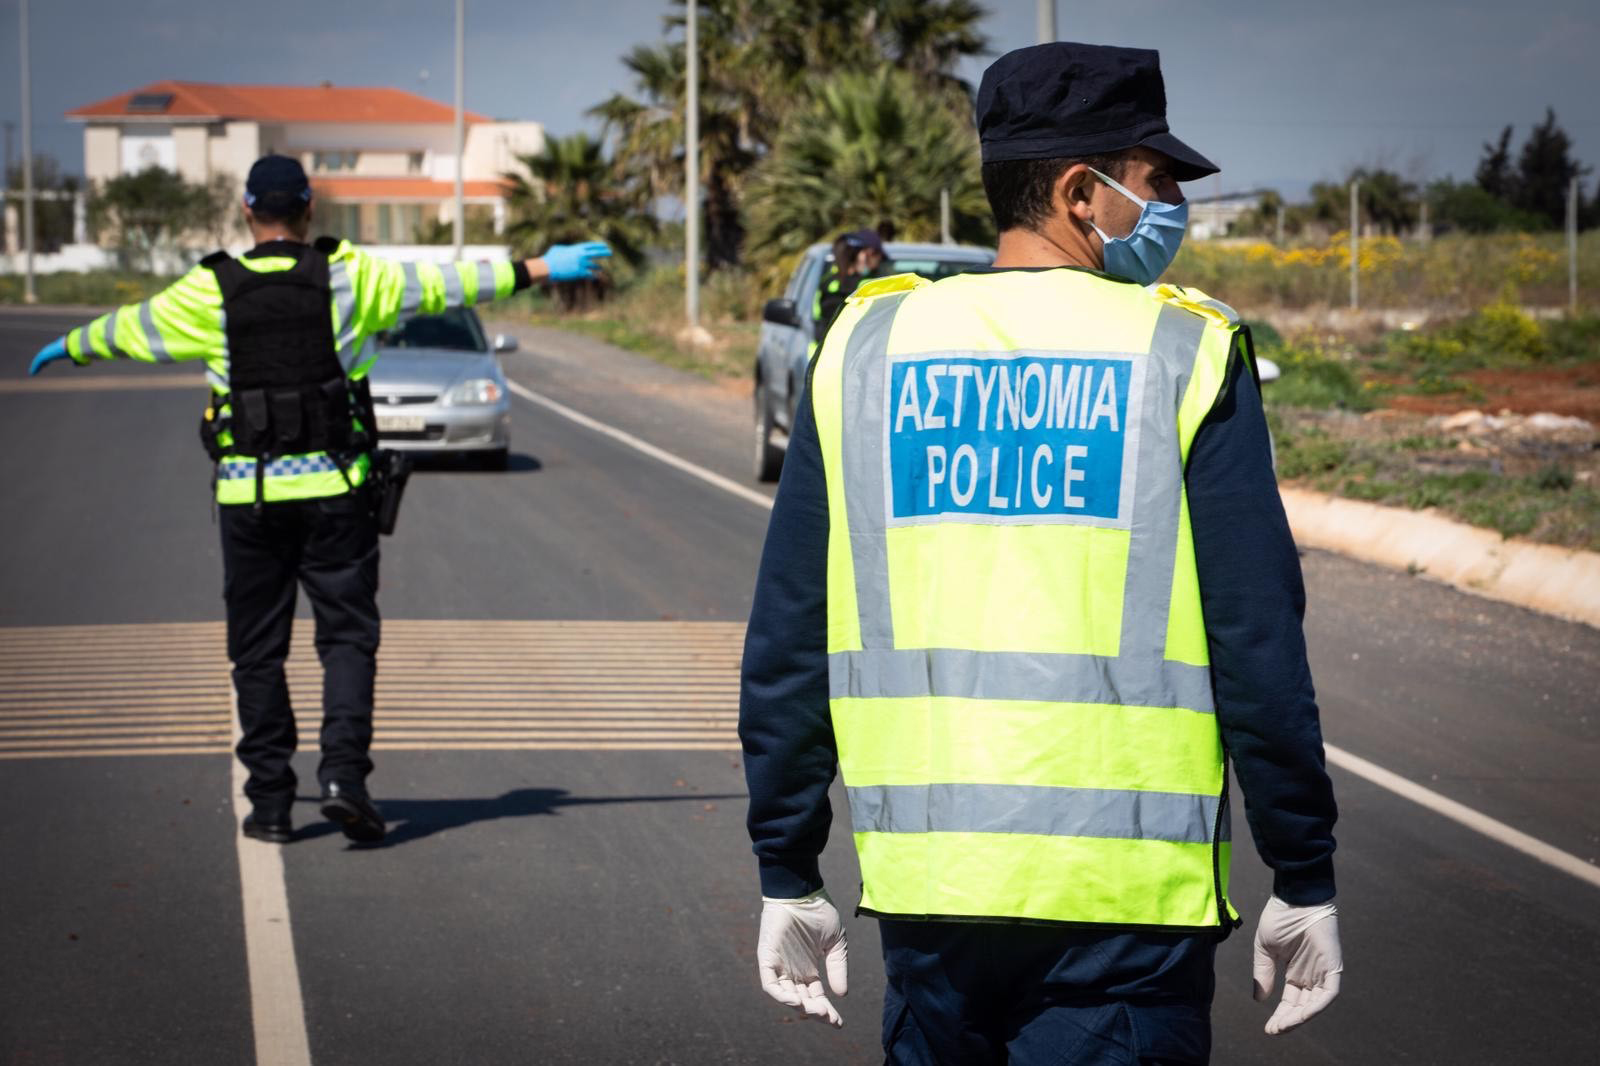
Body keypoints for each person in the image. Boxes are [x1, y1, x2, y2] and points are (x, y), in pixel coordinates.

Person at [739, 42, 1341, 1064]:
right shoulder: (1185, 352)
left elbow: (792, 629)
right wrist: (1304, 867)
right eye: (1153, 182)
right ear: (1080, 192)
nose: (1169, 208)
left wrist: (785, 865)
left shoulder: (866, 348)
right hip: (1125, 913)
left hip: (930, 897)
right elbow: (1255, 641)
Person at [29, 155, 611, 846]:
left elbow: (128, 331)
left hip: (249, 499)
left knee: (256, 652)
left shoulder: (208, 289)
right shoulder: (351, 275)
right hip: (337, 493)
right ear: (309, 211)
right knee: (346, 640)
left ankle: (271, 804)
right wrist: (542, 266)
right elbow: (450, 284)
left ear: (247, 212)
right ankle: (343, 779)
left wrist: (68, 344)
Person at [812, 228, 887, 349]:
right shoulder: (864, 287)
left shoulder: (827, 281)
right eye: (867, 254)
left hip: (825, 356)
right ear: (861, 256)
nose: (873, 263)